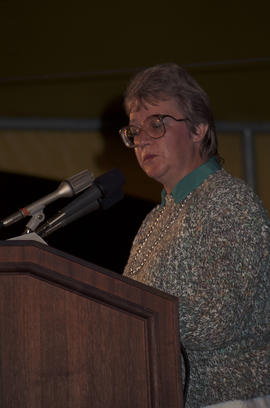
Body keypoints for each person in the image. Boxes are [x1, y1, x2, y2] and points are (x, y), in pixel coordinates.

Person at [119, 63, 270, 408]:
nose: (141, 138)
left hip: (232, 397)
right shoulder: (156, 219)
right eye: (134, 130)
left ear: (199, 128)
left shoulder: (229, 201)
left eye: (156, 124)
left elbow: (215, 318)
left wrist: (133, 314)